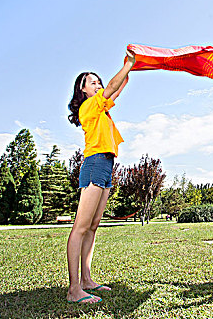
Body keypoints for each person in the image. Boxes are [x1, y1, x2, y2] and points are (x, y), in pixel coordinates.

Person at [66, 50, 136, 303]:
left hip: (106, 166)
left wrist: (129, 70)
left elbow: (116, 90)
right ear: (83, 90)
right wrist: (127, 66)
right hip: (95, 164)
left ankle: (86, 279)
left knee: (93, 227)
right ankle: (74, 290)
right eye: (93, 82)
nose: (99, 84)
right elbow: (111, 89)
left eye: (99, 81)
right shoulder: (88, 106)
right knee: (81, 227)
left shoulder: (101, 107)